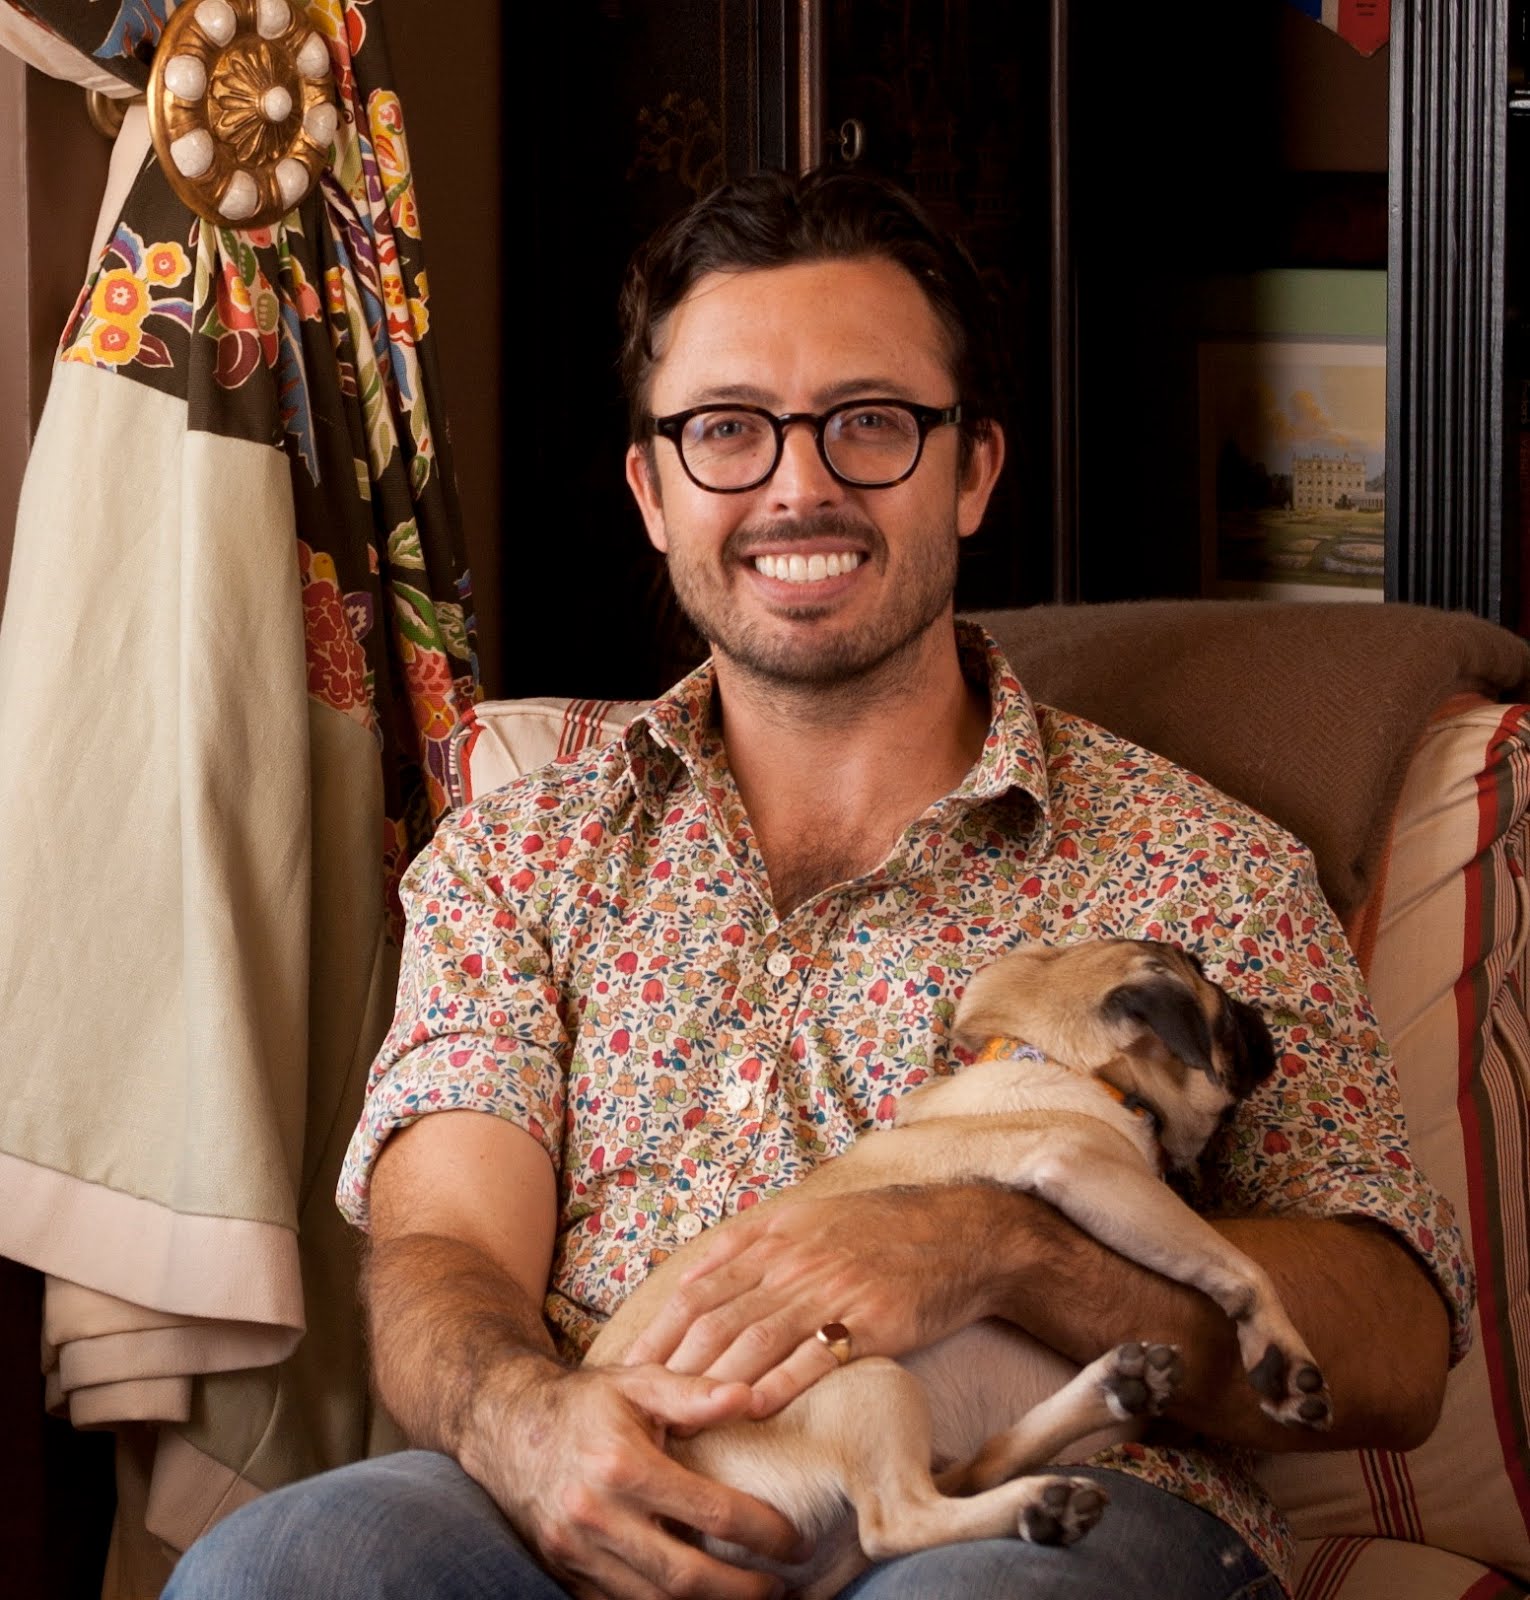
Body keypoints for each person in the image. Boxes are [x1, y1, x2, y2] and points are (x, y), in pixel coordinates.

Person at [165, 167, 1470, 1600]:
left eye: (869, 422)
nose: (799, 487)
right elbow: (445, 1250)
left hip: (1054, 1512)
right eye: (727, 429)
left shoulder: (1203, 867)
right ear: (652, 490)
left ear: (971, 471)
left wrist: (998, 1247)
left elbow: (1395, 1347)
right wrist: (524, 1423)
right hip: (611, 1482)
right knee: (284, 1567)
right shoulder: (518, 856)